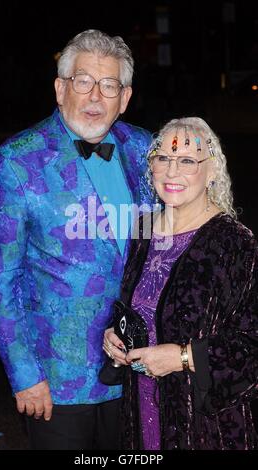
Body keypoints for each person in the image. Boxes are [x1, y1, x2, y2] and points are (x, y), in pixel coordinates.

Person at [0, 29, 153, 450]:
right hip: (58, 381)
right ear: (60, 89)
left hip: (138, 369)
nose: (96, 96)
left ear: (124, 97)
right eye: (83, 81)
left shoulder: (146, 149)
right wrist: (24, 374)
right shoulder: (14, 162)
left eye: (109, 85)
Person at [103, 116, 258, 450]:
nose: (172, 172)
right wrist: (116, 336)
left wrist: (183, 357)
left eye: (187, 160)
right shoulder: (142, 232)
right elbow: (144, 308)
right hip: (140, 409)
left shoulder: (234, 243)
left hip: (206, 424)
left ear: (212, 170)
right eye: (164, 158)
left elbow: (251, 347)